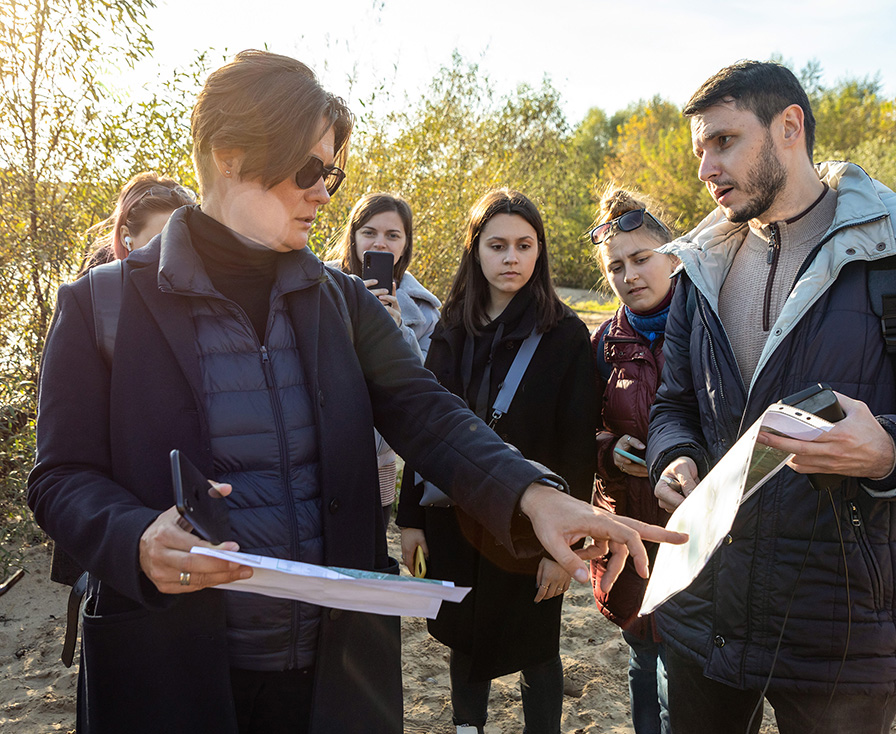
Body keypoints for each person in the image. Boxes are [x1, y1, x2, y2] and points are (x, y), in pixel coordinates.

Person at [27, 51, 683, 734]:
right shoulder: (99, 305)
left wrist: (535, 495)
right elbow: (59, 478)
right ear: (229, 155)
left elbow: (428, 412)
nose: (323, 193)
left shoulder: (340, 302)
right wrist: (134, 538)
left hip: (332, 674)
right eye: (308, 170)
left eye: (331, 174)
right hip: (172, 673)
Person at [646, 60, 896, 734]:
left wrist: (890, 451)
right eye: (699, 150)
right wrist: (673, 458)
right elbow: (673, 405)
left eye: (723, 141)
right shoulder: (699, 262)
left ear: (789, 126)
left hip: (842, 621)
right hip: (704, 606)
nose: (706, 169)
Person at [396, 188, 597, 734]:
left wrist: (564, 548)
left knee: (537, 646)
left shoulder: (566, 335)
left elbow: (577, 449)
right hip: (454, 516)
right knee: (463, 636)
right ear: (476, 251)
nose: (511, 258)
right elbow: (422, 426)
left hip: (533, 528)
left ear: (540, 252)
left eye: (524, 245)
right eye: (498, 245)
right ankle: (469, 728)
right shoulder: (452, 329)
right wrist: (410, 520)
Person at [588, 187, 676, 734]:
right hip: (630, 532)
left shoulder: (710, 327)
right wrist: (609, 448)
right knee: (644, 660)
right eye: (616, 267)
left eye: (641, 258)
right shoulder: (603, 344)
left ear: (673, 256)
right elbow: (583, 429)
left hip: (695, 532)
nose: (630, 275)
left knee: (687, 677)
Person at [324, 192, 441, 507]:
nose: (380, 243)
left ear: (406, 244)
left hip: (377, 466)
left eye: (392, 235)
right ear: (353, 237)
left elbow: (420, 386)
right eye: (369, 232)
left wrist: (396, 329)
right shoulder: (317, 287)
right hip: (318, 458)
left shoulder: (425, 312)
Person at [76, 172, 196, 277]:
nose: (174, 255)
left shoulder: (201, 285)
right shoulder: (94, 292)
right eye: (158, 244)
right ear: (126, 237)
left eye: (185, 242)